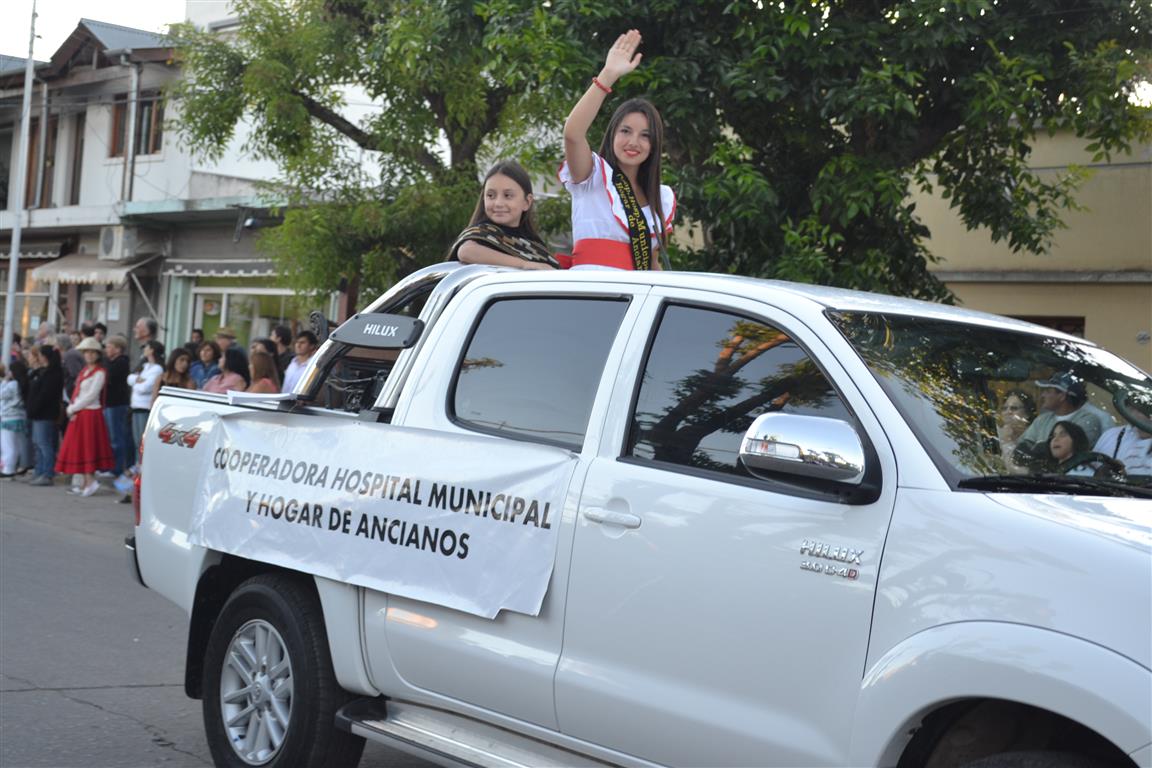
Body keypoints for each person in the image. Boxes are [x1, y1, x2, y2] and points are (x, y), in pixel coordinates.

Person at [560, 29, 674, 270]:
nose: (633, 142)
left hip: (636, 293)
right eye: (625, 131)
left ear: (654, 145)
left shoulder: (660, 198)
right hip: (593, 289)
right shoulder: (592, 177)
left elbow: (653, 265)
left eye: (645, 136)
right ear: (612, 134)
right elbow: (572, 134)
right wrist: (608, 75)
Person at [448, 161, 559, 270]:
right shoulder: (481, 234)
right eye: (491, 195)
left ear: (527, 202)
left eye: (507, 195)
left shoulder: (536, 247)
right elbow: (466, 252)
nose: (498, 203)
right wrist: (523, 264)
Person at [1014, 372, 1114, 466]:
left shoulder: (1088, 420)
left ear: (1062, 396)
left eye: (1048, 391)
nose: (1042, 395)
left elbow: (1068, 453)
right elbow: (1021, 448)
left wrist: (1037, 450)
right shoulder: (1042, 420)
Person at [56, 337, 114, 497]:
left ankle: (90, 481)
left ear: (98, 354)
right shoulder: (84, 371)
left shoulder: (100, 372)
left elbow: (91, 395)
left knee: (88, 448)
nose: (89, 355)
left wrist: (72, 408)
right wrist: (74, 409)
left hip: (90, 413)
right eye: (86, 352)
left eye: (92, 352)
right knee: (80, 448)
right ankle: (84, 483)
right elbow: (79, 393)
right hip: (81, 412)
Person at [26, 344, 62, 486]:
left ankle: (47, 473)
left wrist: (34, 408)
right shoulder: (44, 371)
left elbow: (45, 395)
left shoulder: (53, 373)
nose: (38, 358)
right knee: (38, 443)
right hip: (39, 413)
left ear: (45, 357)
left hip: (45, 413)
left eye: (40, 355)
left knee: (44, 443)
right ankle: (39, 471)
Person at [1092, 399, 1152, 477]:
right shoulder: (1112, 435)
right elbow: (1091, 469)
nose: (1136, 415)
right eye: (1134, 409)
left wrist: (1125, 478)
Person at [102, 335, 133, 479]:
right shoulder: (110, 362)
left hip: (117, 403)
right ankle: (109, 465)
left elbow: (108, 377)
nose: (106, 349)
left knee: (117, 437)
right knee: (110, 436)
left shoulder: (121, 362)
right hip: (109, 403)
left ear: (118, 349)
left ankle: (117, 468)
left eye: (109, 347)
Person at [127, 341, 164, 457]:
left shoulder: (157, 368)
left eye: (146, 347)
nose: (144, 350)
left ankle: (142, 464)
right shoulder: (145, 366)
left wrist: (136, 383)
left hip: (145, 407)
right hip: (136, 405)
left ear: (152, 350)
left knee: (143, 439)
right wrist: (137, 380)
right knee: (136, 439)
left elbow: (145, 388)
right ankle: (137, 463)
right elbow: (129, 378)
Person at [0, 361, 29, 476]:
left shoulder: (13, 384)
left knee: (7, 444)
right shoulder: (22, 383)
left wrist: (5, 381)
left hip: (9, 418)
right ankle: (11, 467)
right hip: (19, 416)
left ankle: (8, 468)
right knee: (15, 444)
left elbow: (1, 394)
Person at [997, 389, 1036, 474]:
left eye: (1014, 408)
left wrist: (1007, 442)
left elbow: (1021, 471)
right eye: (1004, 408)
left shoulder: (1032, 439)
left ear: (1027, 414)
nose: (1008, 412)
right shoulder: (997, 434)